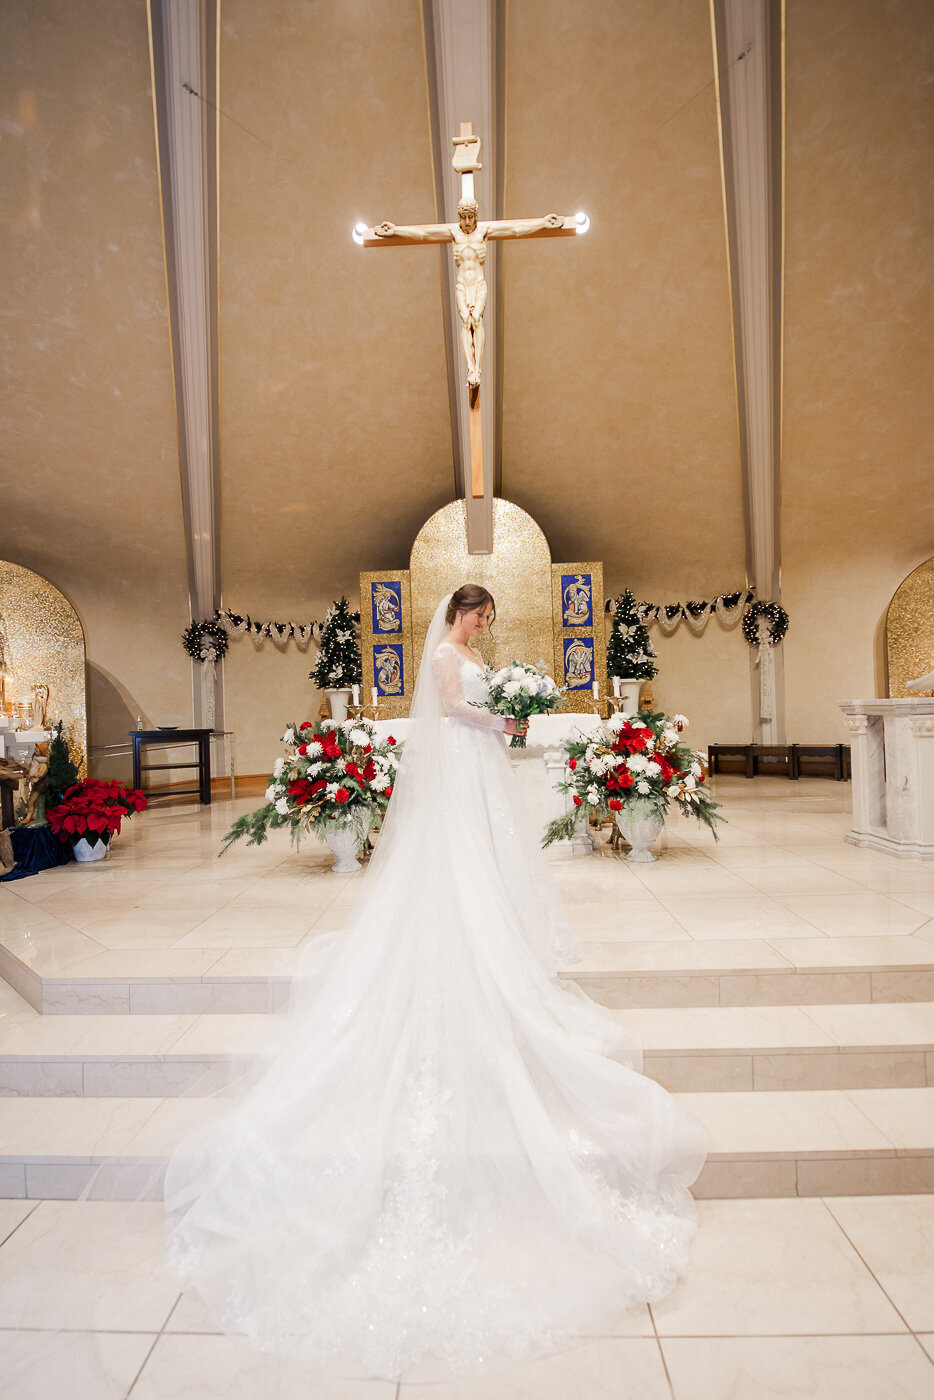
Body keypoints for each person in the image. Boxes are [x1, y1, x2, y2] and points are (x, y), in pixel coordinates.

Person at [161, 585, 707, 1381]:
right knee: (457, 868)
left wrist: (510, 713)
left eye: (487, 620)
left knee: (488, 860)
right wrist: (504, 719)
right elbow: (452, 711)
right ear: (460, 614)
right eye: (480, 616)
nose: (486, 626)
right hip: (462, 764)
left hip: (479, 769)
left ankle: (491, 936)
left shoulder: (477, 654)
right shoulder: (449, 658)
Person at [374, 203, 564, 388]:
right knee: (466, 321)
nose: (467, 221)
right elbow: (423, 233)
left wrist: (542, 223)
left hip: (479, 284)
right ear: (458, 217)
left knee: (477, 319)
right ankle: (471, 368)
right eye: (463, 217)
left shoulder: (484, 232)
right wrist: (396, 230)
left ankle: (477, 370)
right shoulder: (453, 233)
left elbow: (515, 229)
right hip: (462, 285)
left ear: (476, 216)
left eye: (470, 217)